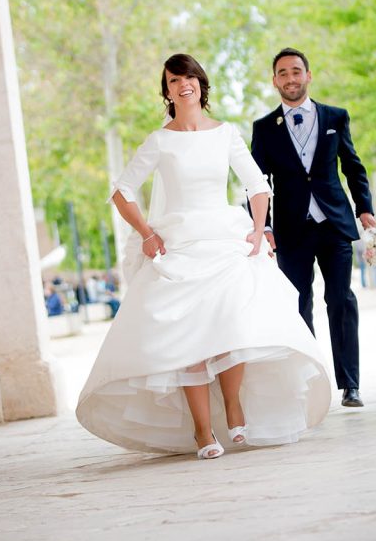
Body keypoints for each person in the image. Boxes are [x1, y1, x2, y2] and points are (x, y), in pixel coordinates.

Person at [76, 53, 333, 459]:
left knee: (232, 326)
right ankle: (202, 431)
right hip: (179, 246)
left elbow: (257, 184)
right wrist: (146, 233)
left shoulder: (225, 133)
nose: (184, 84)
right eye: (175, 80)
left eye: (190, 77)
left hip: (224, 240)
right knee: (187, 338)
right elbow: (122, 191)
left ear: (201, 83)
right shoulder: (160, 141)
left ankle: (234, 407)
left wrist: (257, 228)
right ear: (167, 91)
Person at [251, 48, 375, 408]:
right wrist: (265, 227)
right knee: (298, 305)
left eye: (296, 71)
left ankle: (350, 384)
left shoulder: (336, 117)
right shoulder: (263, 128)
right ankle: (307, 383)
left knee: (341, 300)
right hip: (290, 231)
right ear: (274, 81)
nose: (290, 79)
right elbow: (257, 183)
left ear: (308, 75)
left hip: (334, 224)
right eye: (283, 73)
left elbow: (353, 166)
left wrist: (364, 208)